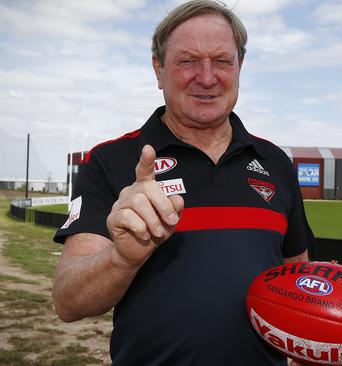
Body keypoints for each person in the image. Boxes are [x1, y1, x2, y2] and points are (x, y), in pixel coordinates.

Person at [51, 1, 313, 364]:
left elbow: (296, 274)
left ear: (240, 67)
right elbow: (68, 301)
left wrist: (323, 302)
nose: (207, 78)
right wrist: (122, 258)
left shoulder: (275, 162)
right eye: (187, 61)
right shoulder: (110, 161)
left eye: (222, 61)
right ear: (158, 70)